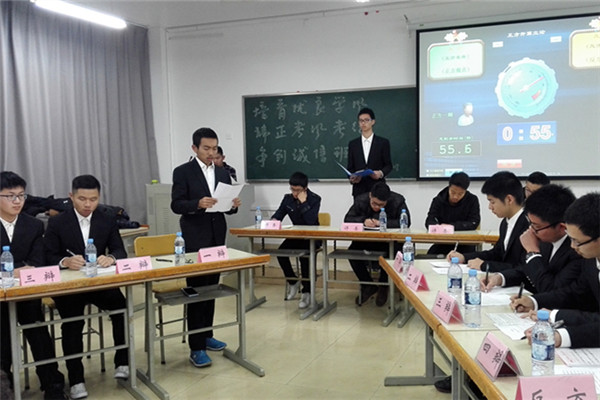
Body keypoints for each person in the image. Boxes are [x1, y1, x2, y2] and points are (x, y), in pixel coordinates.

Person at [44, 175, 129, 400]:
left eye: (93, 199)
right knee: (73, 323)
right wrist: (64, 261)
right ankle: (76, 379)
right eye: (82, 199)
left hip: (98, 282)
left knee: (122, 308)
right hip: (70, 285)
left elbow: (120, 250)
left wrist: (110, 258)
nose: (88, 204)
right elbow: (47, 256)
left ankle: (123, 361)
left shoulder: (106, 219)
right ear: (71, 197)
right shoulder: (57, 222)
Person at [171, 127, 241, 369]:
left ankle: (207, 334)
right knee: (197, 289)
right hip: (195, 236)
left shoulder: (222, 172)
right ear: (195, 148)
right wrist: (197, 203)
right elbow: (176, 204)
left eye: (214, 148)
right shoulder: (183, 172)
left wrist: (233, 205)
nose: (211, 153)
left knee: (212, 286)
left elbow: (226, 208)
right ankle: (196, 346)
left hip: (216, 235)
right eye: (206, 148)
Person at [0, 171, 67, 400]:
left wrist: (20, 270)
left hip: (27, 292)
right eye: (10, 196)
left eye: (21, 195)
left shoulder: (34, 225)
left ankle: (53, 384)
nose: (17, 201)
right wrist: (12, 271)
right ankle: (5, 386)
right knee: (2, 339)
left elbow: (38, 261)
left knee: (39, 334)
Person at [511, 192, 600, 349]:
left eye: (577, 241)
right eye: (570, 238)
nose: (572, 246)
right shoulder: (591, 259)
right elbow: (576, 293)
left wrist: (560, 336)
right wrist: (535, 302)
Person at [482, 184, 582, 293]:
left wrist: (532, 253)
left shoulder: (578, 250)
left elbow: (552, 289)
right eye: (531, 224)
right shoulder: (546, 239)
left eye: (536, 226)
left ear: (562, 227)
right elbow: (526, 271)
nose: (531, 230)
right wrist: (499, 278)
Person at [344, 182, 410, 307]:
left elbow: (406, 222)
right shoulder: (361, 200)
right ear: (370, 196)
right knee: (352, 252)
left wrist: (383, 223)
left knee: (393, 253)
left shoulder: (398, 200)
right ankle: (367, 284)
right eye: (374, 203)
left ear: (387, 200)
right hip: (366, 241)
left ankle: (384, 286)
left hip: (388, 242)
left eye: (381, 205)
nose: (377, 207)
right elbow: (348, 219)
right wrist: (363, 221)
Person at [447, 171, 528, 272]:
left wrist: (484, 265)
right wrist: (464, 257)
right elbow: (496, 254)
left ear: (509, 200)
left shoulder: (529, 225)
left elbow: (524, 268)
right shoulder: (505, 223)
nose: (490, 207)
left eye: (492, 202)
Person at [271, 172, 321, 309]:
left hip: (312, 237)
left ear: (305, 188)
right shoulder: (287, 199)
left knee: (305, 257)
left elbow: (310, 221)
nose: (294, 193)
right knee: (281, 253)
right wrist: (273, 220)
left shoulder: (315, 199)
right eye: (292, 189)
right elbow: (279, 214)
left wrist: (304, 203)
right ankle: (293, 282)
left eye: (297, 190)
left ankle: (307, 291)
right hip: (296, 236)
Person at [425, 171, 480, 255]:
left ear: (465, 191)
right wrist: (437, 226)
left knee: (468, 257)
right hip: (443, 242)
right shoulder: (439, 199)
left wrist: (450, 227)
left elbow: (474, 222)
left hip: (465, 243)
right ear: (449, 187)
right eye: (453, 192)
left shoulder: (472, 200)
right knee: (430, 256)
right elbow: (429, 221)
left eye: (460, 194)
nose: (455, 196)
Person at [346, 107, 392, 198]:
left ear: (373, 122)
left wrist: (380, 173)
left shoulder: (383, 142)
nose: (363, 123)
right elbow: (350, 167)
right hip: (359, 190)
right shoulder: (353, 144)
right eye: (361, 121)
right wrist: (352, 178)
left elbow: (388, 165)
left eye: (366, 120)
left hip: (378, 189)